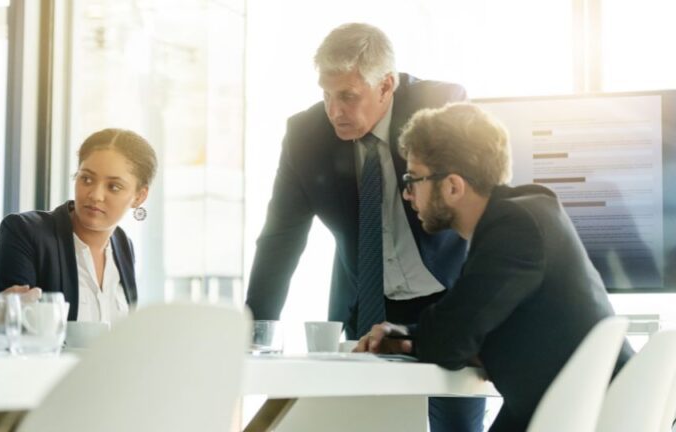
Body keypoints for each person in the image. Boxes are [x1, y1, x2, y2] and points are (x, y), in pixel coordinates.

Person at [245, 23, 484, 431]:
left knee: (456, 426)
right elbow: (280, 239)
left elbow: (481, 206)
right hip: (365, 304)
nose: (334, 110)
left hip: (447, 301)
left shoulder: (439, 106)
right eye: (326, 94)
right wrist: (252, 338)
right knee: (358, 424)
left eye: (348, 96)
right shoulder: (305, 136)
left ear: (387, 85)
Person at [355, 102, 634, 431]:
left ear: (453, 186)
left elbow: (451, 341)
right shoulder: (528, 212)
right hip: (573, 411)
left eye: (412, 179)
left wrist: (431, 339)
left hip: (577, 417)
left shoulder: (513, 228)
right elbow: (466, 328)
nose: (407, 195)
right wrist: (410, 336)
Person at [0, 128, 157, 323]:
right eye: (87, 179)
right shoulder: (25, 231)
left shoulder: (123, 246)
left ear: (139, 196)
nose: (95, 195)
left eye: (114, 186)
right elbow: (13, 326)